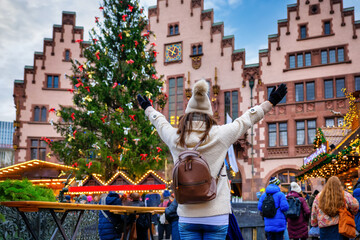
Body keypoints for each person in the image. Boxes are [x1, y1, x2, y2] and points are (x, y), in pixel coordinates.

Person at [138, 79, 287, 240]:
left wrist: (148, 108)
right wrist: (270, 102)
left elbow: (160, 122)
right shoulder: (220, 134)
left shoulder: (176, 137)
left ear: (187, 114)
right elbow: (246, 120)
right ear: (208, 113)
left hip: (187, 214)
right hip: (216, 215)